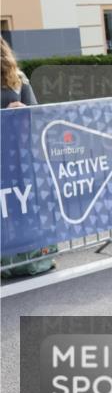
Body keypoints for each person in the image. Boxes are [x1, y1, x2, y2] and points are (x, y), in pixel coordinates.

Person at [1, 39, 56, 278]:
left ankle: (29, 258)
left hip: (19, 154)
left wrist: (21, 108)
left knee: (21, 205)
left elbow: (35, 111)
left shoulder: (18, 78)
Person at [1, 39, 36, 109]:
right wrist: (5, 113)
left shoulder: (17, 76)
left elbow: (33, 109)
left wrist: (22, 109)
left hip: (16, 119)